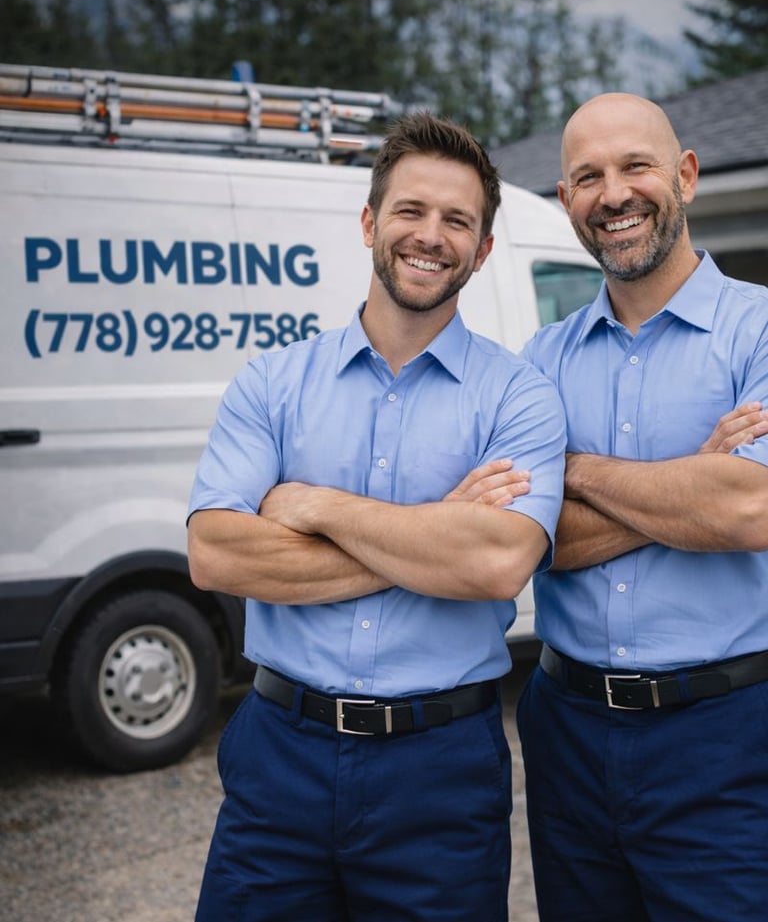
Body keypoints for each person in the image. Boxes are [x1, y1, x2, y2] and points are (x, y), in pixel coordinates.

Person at [187, 111, 566, 922]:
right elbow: (217, 554)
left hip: (440, 770)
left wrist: (316, 507)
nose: (430, 235)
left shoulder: (520, 395)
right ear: (370, 222)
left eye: (457, 220)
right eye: (411, 210)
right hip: (279, 755)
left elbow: (497, 564)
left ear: (484, 248)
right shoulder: (274, 381)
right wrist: (435, 529)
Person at [517, 91, 768, 922]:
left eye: (636, 166)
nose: (613, 193)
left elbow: (748, 508)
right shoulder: (536, 363)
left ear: (686, 176)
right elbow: (523, 542)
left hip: (728, 732)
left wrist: (575, 469)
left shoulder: (760, 331)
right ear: (566, 204)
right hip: (568, 733)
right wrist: (690, 477)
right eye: (587, 176)